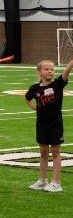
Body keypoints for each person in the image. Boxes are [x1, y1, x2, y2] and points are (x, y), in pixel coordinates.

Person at [25, 57, 73, 192]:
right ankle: (42, 180)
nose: (50, 71)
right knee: (43, 153)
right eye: (46, 69)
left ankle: (56, 182)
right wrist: (34, 108)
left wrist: (71, 62)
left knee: (56, 152)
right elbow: (27, 97)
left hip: (55, 124)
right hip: (41, 124)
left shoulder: (57, 84)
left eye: (52, 69)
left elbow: (67, 70)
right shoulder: (34, 88)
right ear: (39, 72)